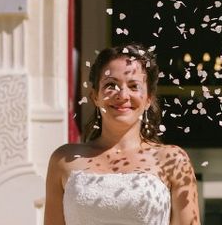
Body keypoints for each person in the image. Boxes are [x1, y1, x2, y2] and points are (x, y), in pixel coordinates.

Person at [44, 43, 201, 225]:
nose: (123, 95)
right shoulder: (63, 160)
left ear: (149, 98)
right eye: (111, 85)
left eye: (134, 86)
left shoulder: (173, 160)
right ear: (95, 96)